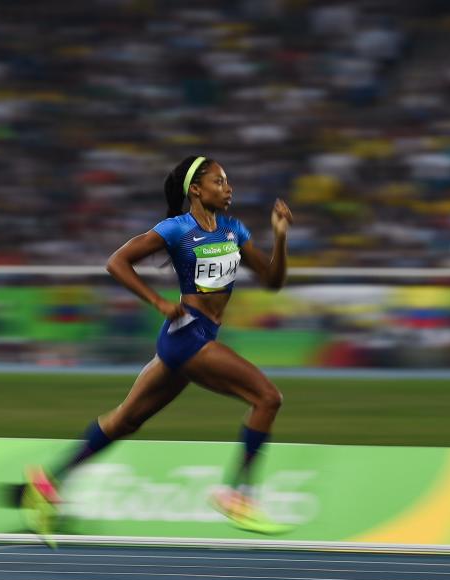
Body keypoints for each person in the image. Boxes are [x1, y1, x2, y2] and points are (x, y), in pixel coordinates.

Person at [22, 154, 293, 537]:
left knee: (125, 420)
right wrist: (158, 302)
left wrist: (280, 236)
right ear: (195, 190)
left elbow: (273, 280)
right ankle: (238, 493)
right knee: (267, 398)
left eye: (228, 182)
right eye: (219, 182)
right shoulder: (176, 229)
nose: (228, 188)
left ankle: (47, 482)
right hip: (187, 335)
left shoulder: (234, 230)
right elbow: (117, 262)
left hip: (198, 337)